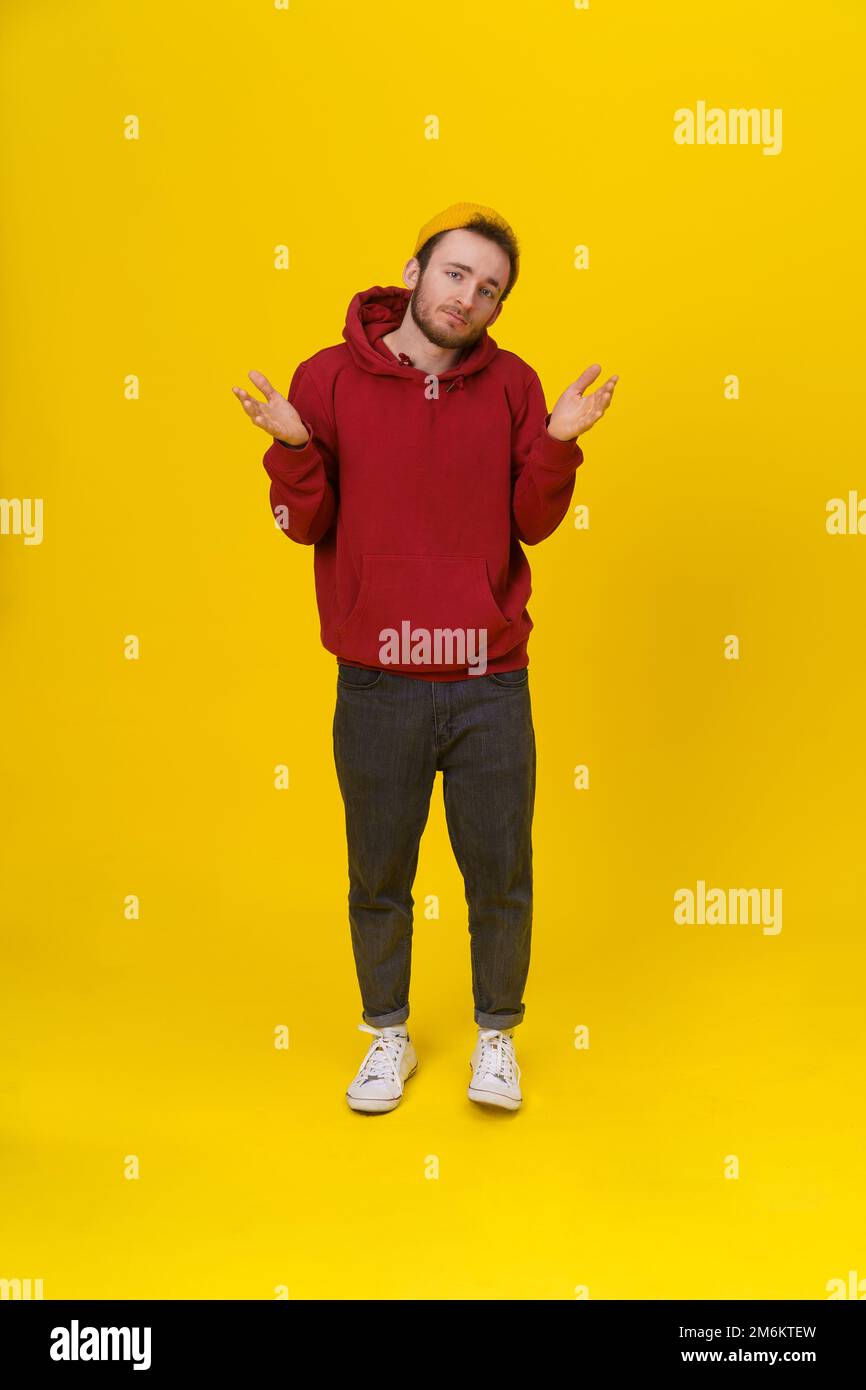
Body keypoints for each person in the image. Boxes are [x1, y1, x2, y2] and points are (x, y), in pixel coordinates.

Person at [233, 202, 618, 1115]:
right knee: (378, 873)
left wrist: (558, 442)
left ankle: (496, 1036)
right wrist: (292, 448)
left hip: (490, 679)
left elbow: (531, 522)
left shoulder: (515, 385)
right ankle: (387, 1035)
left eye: (490, 289)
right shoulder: (325, 381)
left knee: (499, 870)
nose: (470, 296)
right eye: (456, 274)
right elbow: (304, 525)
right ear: (412, 274)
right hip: (377, 681)